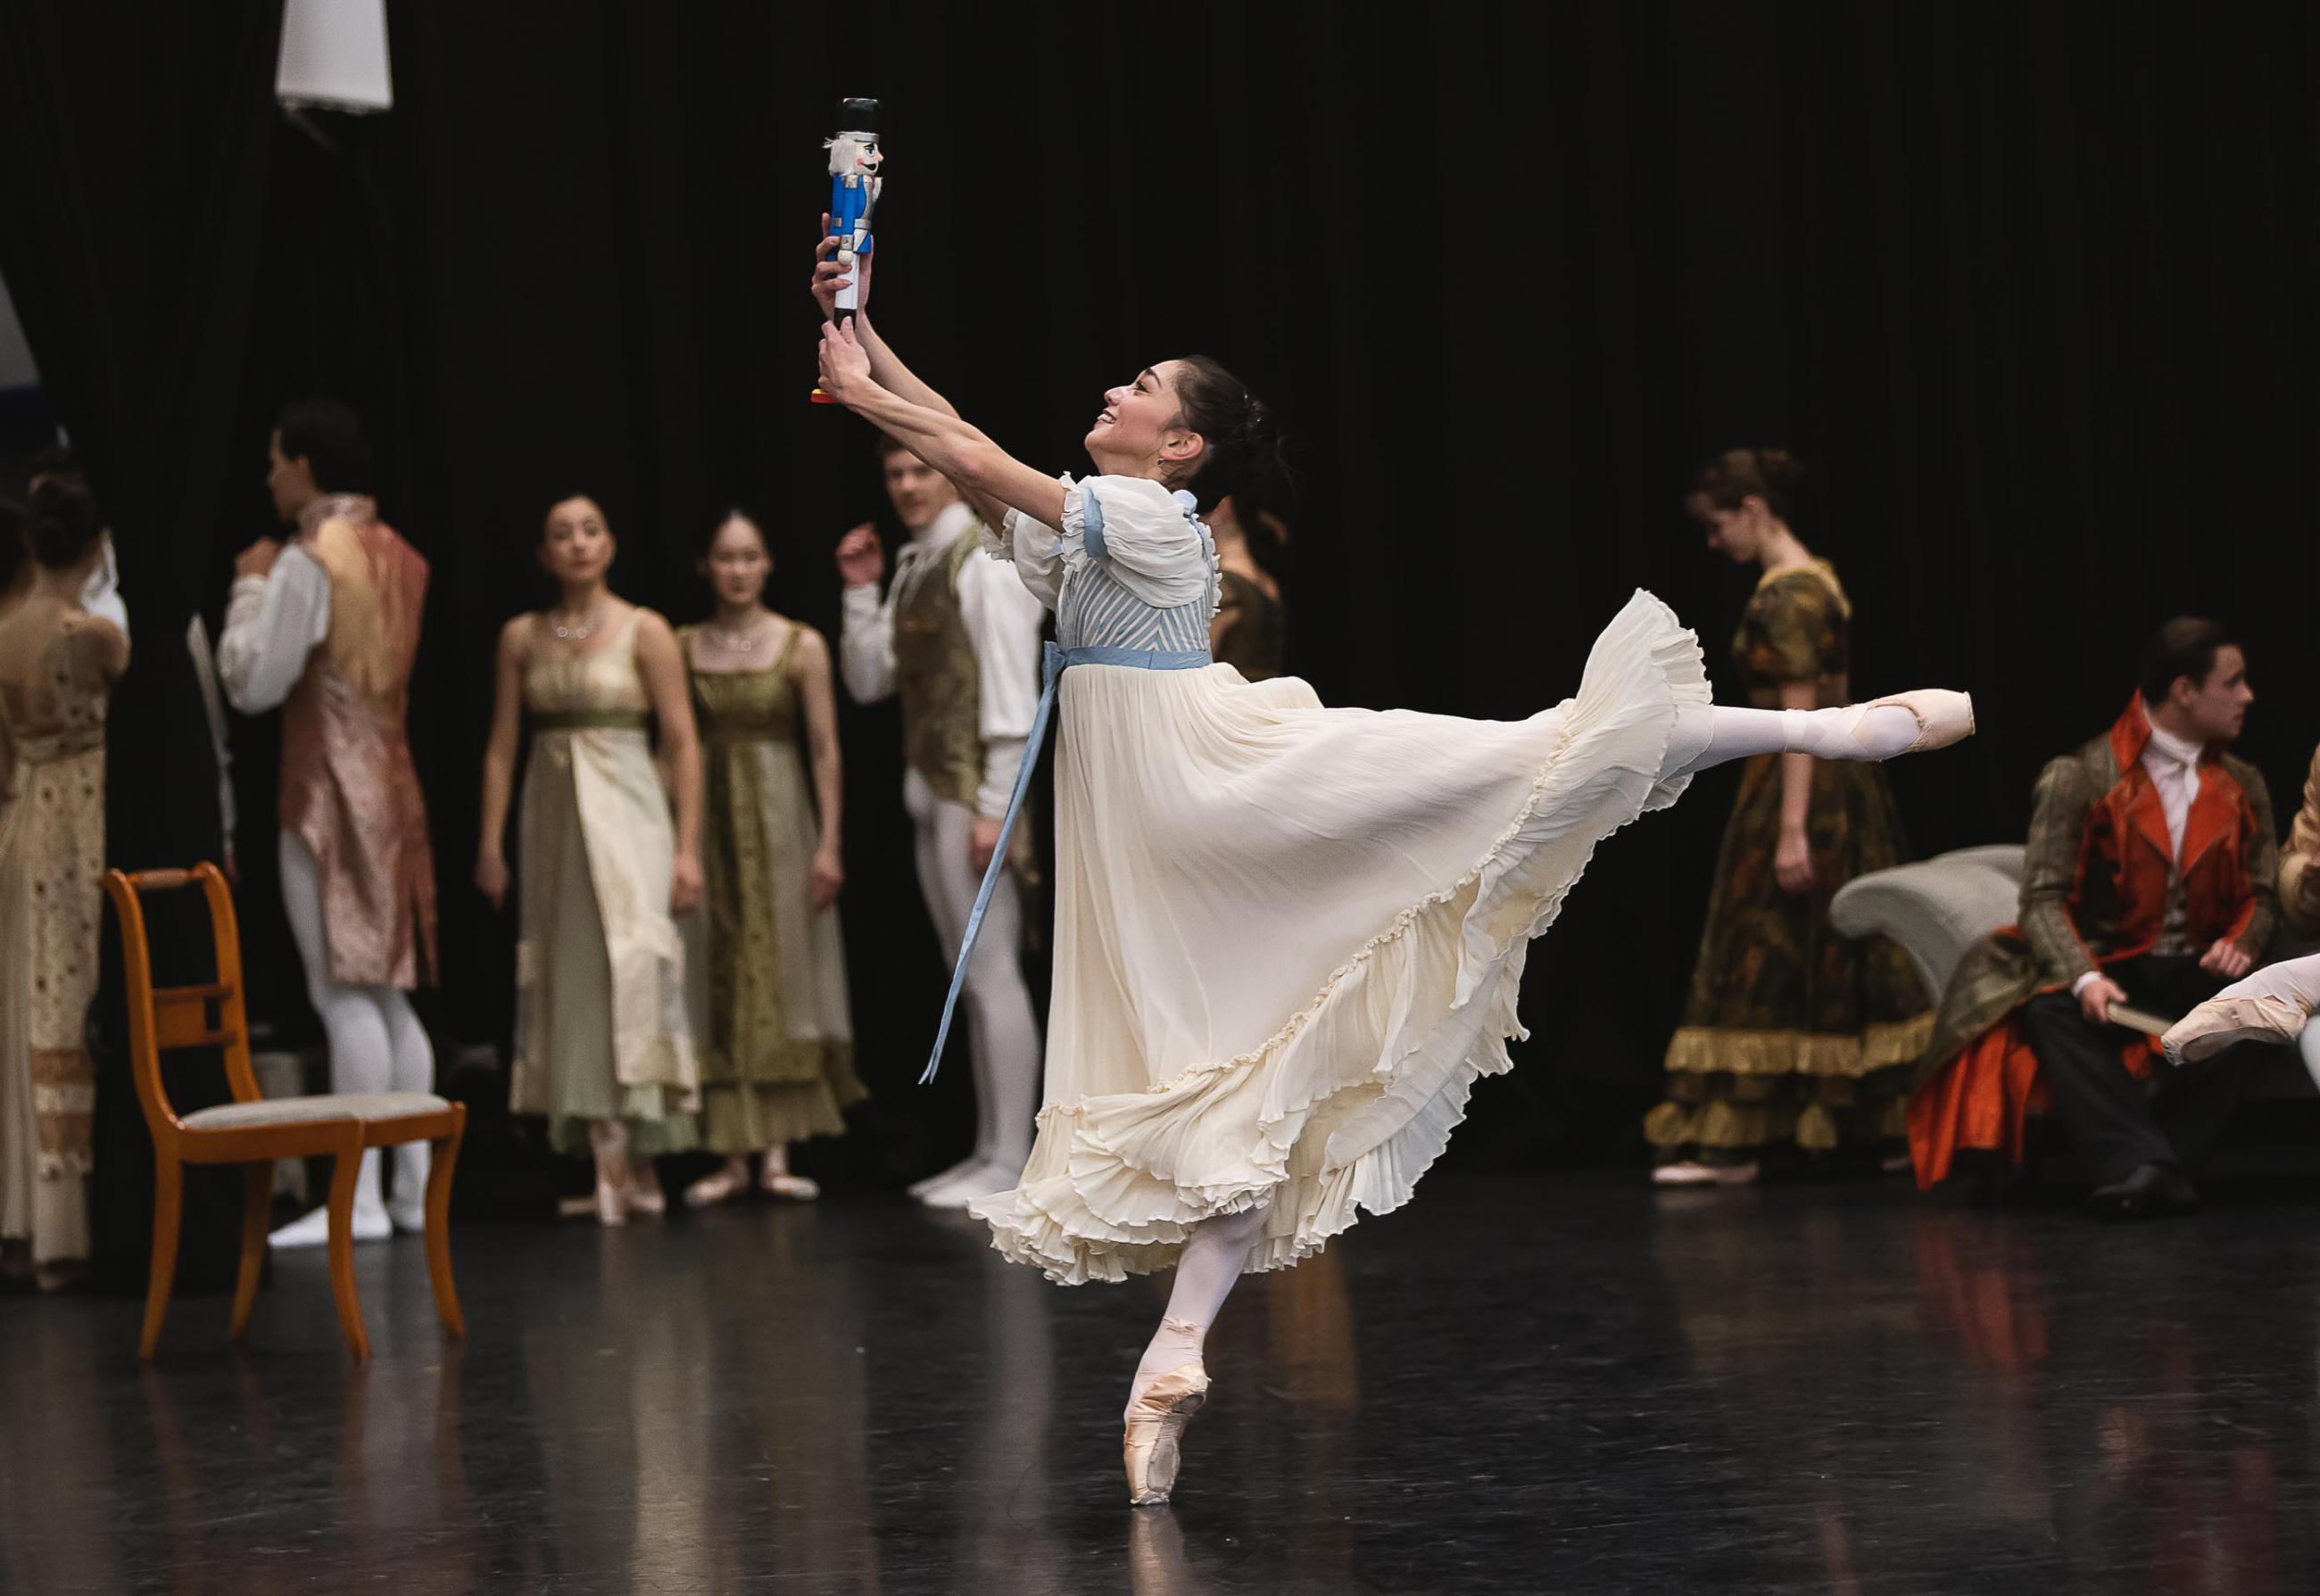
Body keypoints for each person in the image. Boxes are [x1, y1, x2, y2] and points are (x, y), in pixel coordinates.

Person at [809, 235, 1972, 1502]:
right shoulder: (1100, 519)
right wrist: (862, 332)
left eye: (1138, 386)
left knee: (1526, 758)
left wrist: (859, 389)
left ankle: (1824, 731)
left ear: (1181, 445)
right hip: (1149, 820)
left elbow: (973, 458)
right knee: (1239, 1065)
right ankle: (1172, 1359)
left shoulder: (1147, 515)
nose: (1111, 391)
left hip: (1212, 780)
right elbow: (962, 440)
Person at [1907, 619, 2275, 1219]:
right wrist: (2084, 977)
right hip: (2115, 965)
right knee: (2050, 1010)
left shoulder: (2242, 783)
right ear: (2185, 691)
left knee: (2261, 1008)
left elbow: (2263, 891)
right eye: (2232, 682)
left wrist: (2244, 941)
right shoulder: (2079, 777)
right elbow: (2042, 899)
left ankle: (2147, 1167)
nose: (2247, 696)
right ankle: (2153, 1166)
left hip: (2200, 971)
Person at [1646, 449, 1929, 1184]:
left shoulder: (1791, 596)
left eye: (1720, 526)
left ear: (1753, 510)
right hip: (1842, 783)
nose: (1716, 542)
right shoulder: (1818, 579)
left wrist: (1793, 826)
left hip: (1801, 780)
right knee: (1838, 941)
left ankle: (1739, 1142)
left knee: (1765, 943)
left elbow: (1802, 721)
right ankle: (1887, 1125)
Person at [218, 401, 438, 1248]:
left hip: (329, 792)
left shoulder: (307, 559)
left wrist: (249, 585)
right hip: (394, 781)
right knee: (389, 993)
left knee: (344, 991)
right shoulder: (401, 553)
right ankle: (409, 1191)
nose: (270, 477)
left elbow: (254, 682)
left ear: (304, 464)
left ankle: (362, 1199)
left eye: (277, 462)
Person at [476, 494, 702, 1226]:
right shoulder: (521, 636)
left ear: (609, 544)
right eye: (561, 534)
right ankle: (615, 1162)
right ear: (544, 554)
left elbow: (682, 741)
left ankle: (632, 1163)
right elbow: (502, 746)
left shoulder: (645, 629)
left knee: (631, 964)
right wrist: (488, 842)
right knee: (574, 977)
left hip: (631, 816)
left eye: (590, 530)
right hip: (553, 823)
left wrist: (688, 847)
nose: (578, 543)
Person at [837, 433, 1046, 1210]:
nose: (906, 484)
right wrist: (861, 592)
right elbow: (871, 682)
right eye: (894, 471)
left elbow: (1012, 694)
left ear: (952, 476)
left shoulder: (984, 559)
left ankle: (1012, 1157)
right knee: (971, 977)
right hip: (930, 787)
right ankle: (990, 1149)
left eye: (920, 469)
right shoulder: (915, 562)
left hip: (971, 793)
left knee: (991, 971)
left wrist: (996, 806)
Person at [679, 509, 863, 1206]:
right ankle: (730, 1155)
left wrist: (829, 841)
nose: (738, 570)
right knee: (718, 964)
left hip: (782, 814)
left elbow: (826, 748)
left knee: (785, 965)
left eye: (750, 556)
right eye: (726, 557)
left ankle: (778, 1151)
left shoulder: (800, 644)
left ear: (768, 563)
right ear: (705, 566)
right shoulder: (683, 644)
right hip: (710, 818)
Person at [0, 463, 127, 1289]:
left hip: (24, 821)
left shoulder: (4, 634)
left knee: (29, 1007)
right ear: (98, 543)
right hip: (85, 822)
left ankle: (30, 1223)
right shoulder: (98, 636)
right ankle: (76, 1224)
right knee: (77, 997)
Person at [1202, 491, 1287, 682]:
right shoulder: (1266, 581)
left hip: (1229, 694)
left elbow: (1200, 667)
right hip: (1267, 695)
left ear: (1223, 508)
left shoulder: (1224, 583)